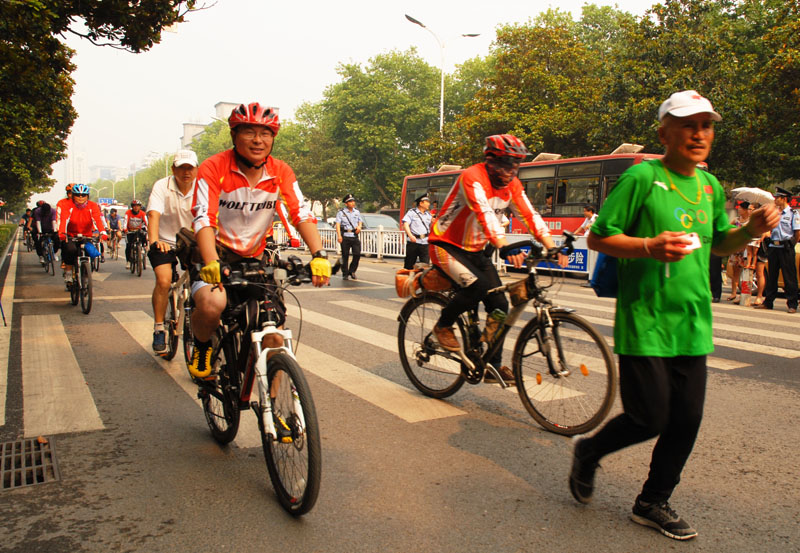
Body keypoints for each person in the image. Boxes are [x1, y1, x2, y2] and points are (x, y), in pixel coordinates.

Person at [573, 90, 780, 541]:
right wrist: (648, 245)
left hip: (692, 320)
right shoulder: (643, 178)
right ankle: (588, 452)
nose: (699, 134)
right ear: (665, 133)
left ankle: (652, 500)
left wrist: (749, 230)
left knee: (686, 420)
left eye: (706, 125)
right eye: (688, 125)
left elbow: (719, 243)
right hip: (645, 318)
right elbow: (599, 237)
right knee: (649, 418)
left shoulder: (709, 187)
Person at [189, 102, 331, 378]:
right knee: (213, 304)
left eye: (265, 133)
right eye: (249, 132)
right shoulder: (214, 166)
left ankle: (275, 405)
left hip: (256, 259)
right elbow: (204, 218)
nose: (258, 140)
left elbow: (301, 213)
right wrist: (211, 261)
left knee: (274, 337)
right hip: (216, 255)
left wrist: (319, 255)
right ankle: (202, 345)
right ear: (234, 135)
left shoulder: (280, 171)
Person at [428, 134, 567, 385]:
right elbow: (485, 215)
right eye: (506, 164)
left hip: (476, 250)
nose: (511, 170)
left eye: (516, 164)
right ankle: (443, 325)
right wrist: (503, 246)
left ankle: (492, 363)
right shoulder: (472, 177)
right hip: (445, 245)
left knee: (500, 305)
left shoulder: (512, 185)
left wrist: (551, 246)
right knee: (478, 287)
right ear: (490, 160)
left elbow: (530, 215)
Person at [146, 149, 198, 354]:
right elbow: (153, 215)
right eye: (181, 168)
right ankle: (159, 328)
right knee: (164, 280)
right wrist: (154, 241)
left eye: (190, 168)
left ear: (196, 169)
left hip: (191, 242)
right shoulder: (162, 186)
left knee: (205, 283)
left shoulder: (203, 187)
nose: (186, 172)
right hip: (165, 241)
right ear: (173, 169)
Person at [755, 186, 799, 313]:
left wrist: (791, 244)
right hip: (773, 247)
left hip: (786, 248)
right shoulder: (775, 213)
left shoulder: (793, 214)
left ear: (784, 198)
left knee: (789, 277)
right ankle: (768, 302)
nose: (775, 199)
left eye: (777, 197)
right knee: (772, 276)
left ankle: (792, 304)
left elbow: (797, 233)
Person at [57, 184, 108, 284]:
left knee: (91, 253)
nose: (81, 197)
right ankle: (68, 272)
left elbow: (97, 220)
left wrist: (103, 232)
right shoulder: (67, 205)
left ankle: (86, 271)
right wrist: (62, 232)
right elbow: (64, 220)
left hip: (86, 235)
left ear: (87, 196)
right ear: (73, 196)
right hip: (71, 235)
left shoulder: (93, 206)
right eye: (78, 195)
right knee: (70, 250)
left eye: (83, 195)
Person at [726, 200, 750, 304]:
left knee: (744, 272)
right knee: (734, 271)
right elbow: (727, 229)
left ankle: (743, 294)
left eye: (741, 208)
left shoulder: (750, 221)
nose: (739, 210)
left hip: (746, 249)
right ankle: (733, 292)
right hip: (735, 249)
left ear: (746, 210)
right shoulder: (736, 220)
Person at [402, 194, 433, 269]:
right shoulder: (411, 212)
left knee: (425, 266)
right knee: (409, 265)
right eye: (427, 202)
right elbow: (405, 224)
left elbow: (431, 226)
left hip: (425, 242)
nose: (429, 204)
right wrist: (410, 235)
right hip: (413, 242)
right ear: (421, 203)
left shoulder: (428, 214)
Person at [335, 194, 363, 280]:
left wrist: (359, 227)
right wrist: (339, 236)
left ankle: (352, 271)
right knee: (345, 255)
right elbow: (338, 225)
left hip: (354, 236)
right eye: (350, 201)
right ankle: (345, 273)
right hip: (345, 236)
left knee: (357, 254)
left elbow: (360, 221)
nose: (352, 203)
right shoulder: (341, 213)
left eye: (353, 201)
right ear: (346, 203)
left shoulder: (357, 212)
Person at [123, 200, 148, 270]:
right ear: (132, 207)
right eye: (134, 206)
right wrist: (125, 229)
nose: (136, 207)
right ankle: (128, 261)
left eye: (138, 206)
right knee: (128, 245)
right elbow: (125, 221)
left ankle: (143, 248)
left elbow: (147, 222)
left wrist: (148, 229)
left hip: (138, 230)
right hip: (130, 231)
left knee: (144, 235)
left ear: (140, 207)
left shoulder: (142, 213)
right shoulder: (128, 212)